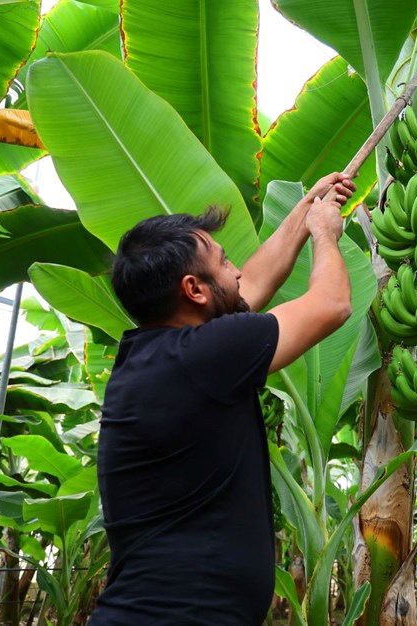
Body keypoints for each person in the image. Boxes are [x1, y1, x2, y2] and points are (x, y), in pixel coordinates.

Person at [89, 173, 357, 625]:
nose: (236, 268)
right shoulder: (208, 355)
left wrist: (305, 209)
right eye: (225, 260)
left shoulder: (163, 354)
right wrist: (325, 234)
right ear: (193, 290)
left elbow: (246, 287)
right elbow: (332, 304)